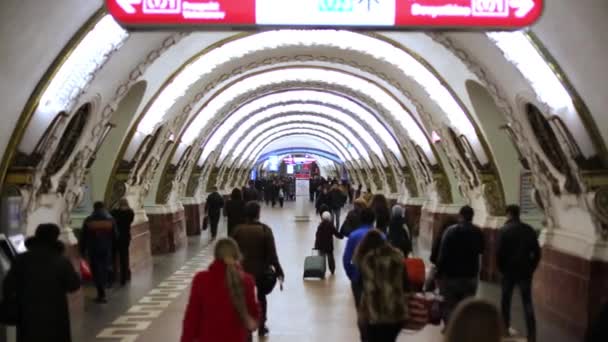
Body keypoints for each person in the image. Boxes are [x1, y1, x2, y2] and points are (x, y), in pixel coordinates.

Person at [2, 224, 80, 342]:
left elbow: (8, 285)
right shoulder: (61, 261)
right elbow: (73, 286)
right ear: (55, 237)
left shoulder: (22, 259)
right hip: (55, 315)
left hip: (27, 314)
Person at [181, 238, 260, 342]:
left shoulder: (201, 280)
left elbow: (191, 318)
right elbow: (254, 317)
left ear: (215, 256)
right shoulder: (247, 281)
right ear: (237, 255)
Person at [232, 201, 284, 337]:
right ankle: (261, 325)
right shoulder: (265, 230)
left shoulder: (238, 230)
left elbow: (231, 254)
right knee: (261, 298)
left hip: (242, 273)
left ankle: (245, 326)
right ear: (258, 214)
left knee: (244, 299)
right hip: (261, 273)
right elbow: (272, 255)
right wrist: (279, 271)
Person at [354, 230, 409, 342]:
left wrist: (361, 310)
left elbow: (359, 287)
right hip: (396, 313)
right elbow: (406, 284)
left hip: (374, 315)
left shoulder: (367, 260)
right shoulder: (398, 256)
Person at [496, 204, 541, 342]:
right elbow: (537, 253)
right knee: (527, 302)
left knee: (505, 301)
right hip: (524, 271)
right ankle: (532, 334)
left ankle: (505, 329)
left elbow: (499, 254)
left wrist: (502, 269)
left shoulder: (504, 230)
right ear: (518, 214)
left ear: (508, 214)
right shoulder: (528, 230)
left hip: (508, 271)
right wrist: (531, 267)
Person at [436, 205, 484, 323]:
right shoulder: (478, 232)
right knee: (467, 307)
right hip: (471, 275)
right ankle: (464, 329)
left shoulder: (450, 231)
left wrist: (439, 273)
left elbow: (443, 254)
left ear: (460, 216)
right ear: (472, 216)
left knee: (450, 305)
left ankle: (450, 330)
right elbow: (481, 249)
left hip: (452, 276)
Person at [342, 208, 379, 341]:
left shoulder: (354, 235)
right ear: (373, 220)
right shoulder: (381, 236)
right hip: (376, 278)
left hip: (359, 278)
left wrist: (352, 275)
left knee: (361, 310)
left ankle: (365, 337)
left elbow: (346, 259)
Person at [80, 201, 118, 303]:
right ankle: (105, 287)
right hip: (106, 248)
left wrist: (82, 250)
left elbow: (83, 236)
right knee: (105, 268)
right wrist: (114, 249)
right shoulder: (110, 219)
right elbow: (115, 236)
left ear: (94, 208)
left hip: (93, 249)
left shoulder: (89, 220)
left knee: (96, 270)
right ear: (104, 207)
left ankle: (100, 292)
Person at [425, 216, 459, 292]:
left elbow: (433, 257)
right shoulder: (460, 239)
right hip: (459, 275)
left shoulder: (441, 236)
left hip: (444, 274)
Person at [110, 198, 135, 286]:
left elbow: (111, 220)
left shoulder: (114, 212)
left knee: (113, 258)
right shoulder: (130, 212)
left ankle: (113, 278)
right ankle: (123, 279)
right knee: (124, 258)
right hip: (125, 237)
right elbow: (131, 221)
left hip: (115, 237)